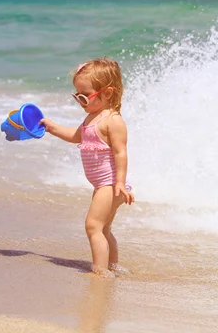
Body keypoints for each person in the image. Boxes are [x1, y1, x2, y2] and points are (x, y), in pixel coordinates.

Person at [41, 57, 134, 277]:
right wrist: (52, 128)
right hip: (103, 185)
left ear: (107, 93)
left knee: (93, 226)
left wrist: (120, 183)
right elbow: (76, 136)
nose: (80, 101)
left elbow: (121, 153)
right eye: (77, 96)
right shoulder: (92, 117)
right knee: (104, 229)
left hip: (111, 184)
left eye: (84, 96)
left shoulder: (113, 121)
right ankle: (113, 266)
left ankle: (100, 272)